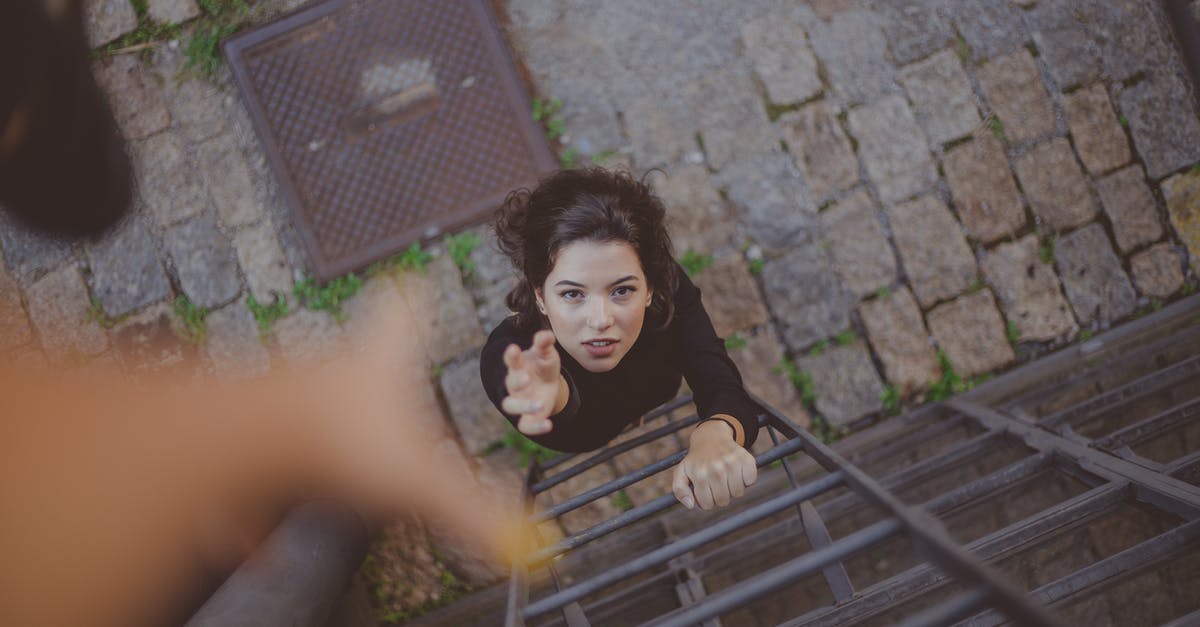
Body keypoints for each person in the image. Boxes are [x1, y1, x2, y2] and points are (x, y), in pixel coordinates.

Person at [480, 167, 761, 512]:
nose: (600, 320)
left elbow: (716, 376)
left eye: (622, 290)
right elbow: (502, 367)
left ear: (650, 287)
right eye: (572, 294)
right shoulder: (514, 348)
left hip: (654, 390)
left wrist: (716, 432)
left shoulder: (667, 290)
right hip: (589, 429)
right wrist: (547, 394)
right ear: (540, 295)